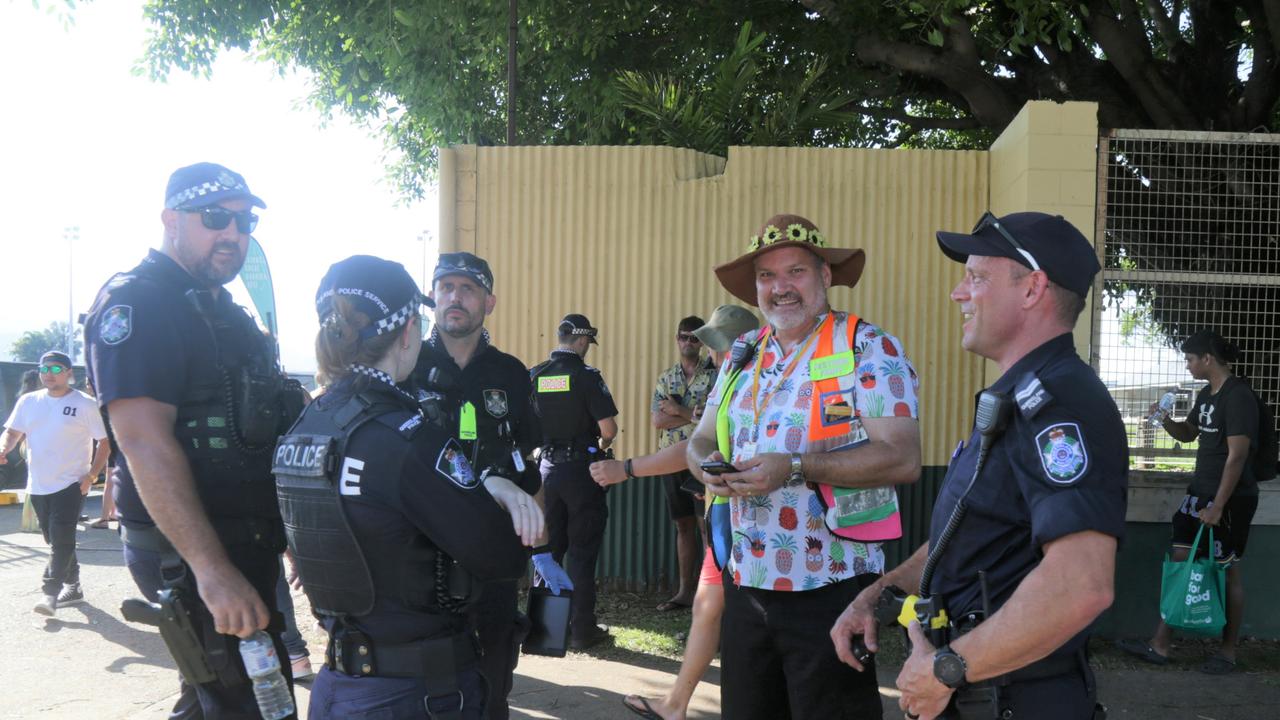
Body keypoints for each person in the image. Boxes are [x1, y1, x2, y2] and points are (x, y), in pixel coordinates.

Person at [831, 211, 1127, 720]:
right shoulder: (1018, 397)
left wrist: (948, 667)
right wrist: (878, 593)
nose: (958, 293)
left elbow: (1081, 584)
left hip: (1014, 698)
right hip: (979, 692)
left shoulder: (1059, 403)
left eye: (976, 277)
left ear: (1032, 288)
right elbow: (966, 536)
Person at [84, 162, 305, 717]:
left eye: (244, 222)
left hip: (240, 539)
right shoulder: (142, 303)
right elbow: (143, 443)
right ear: (171, 219)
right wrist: (211, 571)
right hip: (191, 551)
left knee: (213, 700)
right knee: (247, 701)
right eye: (215, 218)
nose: (233, 233)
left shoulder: (216, 307)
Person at [275, 254, 538, 719]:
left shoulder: (305, 424)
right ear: (407, 333)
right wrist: (489, 491)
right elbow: (502, 554)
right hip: (414, 688)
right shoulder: (402, 435)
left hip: (340, 680)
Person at [687, 214, 922, 720]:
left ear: (825, 277)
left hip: (832, 586)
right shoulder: (742, 354)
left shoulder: (867, 346)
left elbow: (903, 458)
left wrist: (794, 467)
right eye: (767, 277)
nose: (780, 288)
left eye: (795, 272)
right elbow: (702, 436)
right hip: (746, 578)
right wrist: (705, 465)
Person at [409, 251, 569, 720]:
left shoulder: (511, 373)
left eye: (468, 289)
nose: (454, 298)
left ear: (489, 301)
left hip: (493, 555)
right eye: (445, 288)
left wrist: (540, 553)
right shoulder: (408, 364)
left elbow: (530, 466)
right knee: (423, 682)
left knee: (493, 675)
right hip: (419, 554)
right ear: (433, 297)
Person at [592, 304, 759, 720]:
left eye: (713, 341)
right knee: (707, 610)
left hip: (750, 525)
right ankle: (676, 703)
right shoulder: (730, 380)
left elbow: (689, 447)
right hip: (725, 519)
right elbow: (687, 440)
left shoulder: (745, 382)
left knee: (740, 622)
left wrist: (626, 469)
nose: (707, 348)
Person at [1118, 330, 1261, 675]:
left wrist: (1218, 506)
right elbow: (1188, 434)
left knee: (1226, 571)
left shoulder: (1238, 396)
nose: (1187, 364)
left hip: (1229, 498)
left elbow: (1237, 456)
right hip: (1198, 493)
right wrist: (1165, 420)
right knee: (1181, 560)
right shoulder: (1206, 395)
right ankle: (1161, 644)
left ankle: (1227, 653)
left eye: (1190, 358)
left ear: (1207, 359)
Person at [530, 313, 619, 649]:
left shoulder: (536, 375)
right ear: (582, 341)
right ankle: (582, 631)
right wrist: (603, 445)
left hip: (545, 473)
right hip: (582, 473)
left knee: (548, 551)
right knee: (582, 552)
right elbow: (608, 429)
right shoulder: (585, 376)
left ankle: (547, 633)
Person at [0, 351, 110, 615]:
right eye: (45, 368)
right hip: (38, 484)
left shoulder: (85, 404)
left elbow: (105, 441)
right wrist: (4, 447)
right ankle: (74, 586)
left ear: (69, 373)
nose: (49, 373)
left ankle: (50, 593)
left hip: (72, 483)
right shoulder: (29, 401)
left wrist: (91, 475)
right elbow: (13, 431)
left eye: (56, 368)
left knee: (61, 538)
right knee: (55, 540)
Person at [650, 315, 718, 612]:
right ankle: (684, 592)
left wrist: (677, 409)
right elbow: (657, 420)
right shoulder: (666, 377)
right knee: (682, 526)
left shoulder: (715, 376)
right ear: (676, 338)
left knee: (707, 528)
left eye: (694, 338)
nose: (687, 342)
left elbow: (711, 417)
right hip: (670, 461)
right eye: (683, 336)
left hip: (702, 461)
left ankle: (709, 595)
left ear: (702, 342)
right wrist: (690, 413)